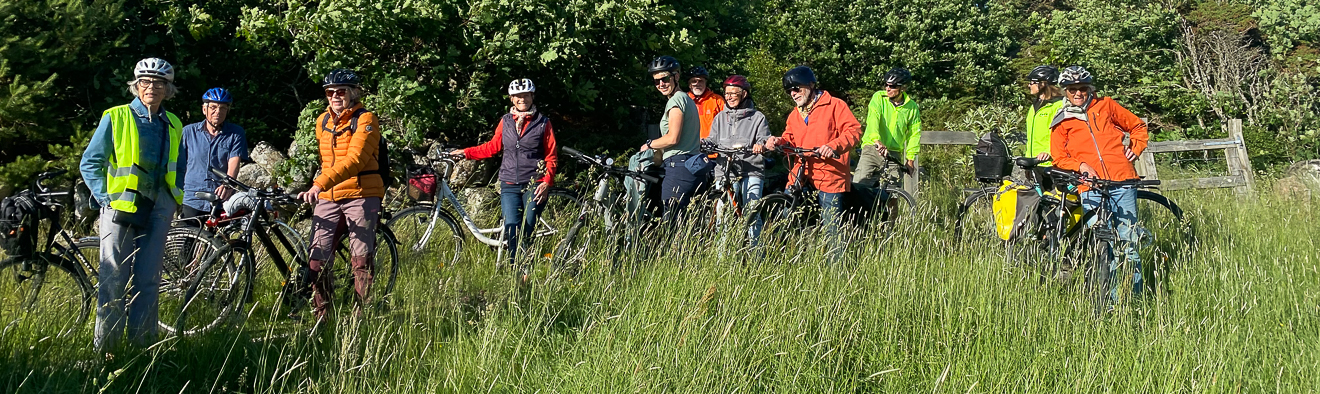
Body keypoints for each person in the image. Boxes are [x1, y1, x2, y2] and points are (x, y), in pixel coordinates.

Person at [80, 57, 187, 352]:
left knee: (149, 281)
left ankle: (143, 349)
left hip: (159, 208)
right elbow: (90, 162)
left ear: (168, 89)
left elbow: (180, 165)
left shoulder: (174, 122)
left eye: (159, 83)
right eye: (145, 82)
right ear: (136, 86)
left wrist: (173, 199)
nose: (151, 87)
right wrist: (105, 198)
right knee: (113, 280)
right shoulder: (115, 116)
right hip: (121, 207)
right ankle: (108, 352)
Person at [1049, 66, 1150, 303]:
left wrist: (1135, 148)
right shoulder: (1061, 121)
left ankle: (1135, 299)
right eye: (1072, 89)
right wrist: (1081, 165)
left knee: (1128, 242)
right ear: (1065, 92)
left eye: (1082, 88)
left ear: (1089, 88)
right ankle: (1109, 300)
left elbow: (1138, 126)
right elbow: (1059, 157)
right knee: (1102, 244)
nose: (1078, 93)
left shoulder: (1106, 105)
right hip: (1090, 186)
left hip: (1122, 181)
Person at [297, 68, 384, 321]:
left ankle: (361, 317)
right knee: (317, 260)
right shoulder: (322, 121)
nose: (335, 96)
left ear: (354, 93)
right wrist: (322, 186)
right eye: (330, 92)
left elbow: (355, 160)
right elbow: (326, 161)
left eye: (341, 91)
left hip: (361, 192)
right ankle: (323, 318)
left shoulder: (366, 120)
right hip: (329, 194)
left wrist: (319, 184)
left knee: (361, 260)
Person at [449, 78, 559, 278]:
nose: (522, 99)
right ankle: (517, 273)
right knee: (512, 228)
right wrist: (466, 153)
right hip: (509, 183)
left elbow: (551, 156)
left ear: (532, 96)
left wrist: (546, 182)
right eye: (518, 96)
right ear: (511, 99)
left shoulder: (543, 123)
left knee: (527, 227)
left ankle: (525, 270)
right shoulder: (506, 121)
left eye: (526, 95)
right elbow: (492, 147)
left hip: (534, 183)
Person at [763, 66, 861, 257]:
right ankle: (780, 258)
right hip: (801, 172)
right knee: (785, 214)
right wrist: (778, 142)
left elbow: (854, 131)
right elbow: (790, 138)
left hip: (829, 172)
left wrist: (833, 146)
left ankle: (836, 267)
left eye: (796, 88)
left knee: (832, 226)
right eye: (789, 91)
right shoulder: (795, 114)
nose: (793, 93)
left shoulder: (835, 105)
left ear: (810, 85)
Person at [701, 75, 770, 243]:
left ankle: (755, 252)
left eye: (733, 93)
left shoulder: (757, 117)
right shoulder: (720, 117)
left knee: (751, 213)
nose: (729, 97)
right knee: (722, 216)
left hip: (751, 169)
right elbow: (712, 140)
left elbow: (765, 139)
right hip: (725, 170)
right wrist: (702, 143)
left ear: (744, 94)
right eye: (727, 93)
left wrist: (761, 145)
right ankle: (721, 255)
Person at [640, 56, 706, 219]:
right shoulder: (687, 99)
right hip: (692, 166)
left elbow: (673, 138)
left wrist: (649, 144)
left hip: (678, 167)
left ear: (676, 76)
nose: (661, 84)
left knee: (671, 223)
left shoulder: (676, 101)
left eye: (664, 79)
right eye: (656, 81)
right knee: (687, 223)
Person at [180, 88, 248, 222]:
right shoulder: (188, 132)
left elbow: (234, 161)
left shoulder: (235, 133)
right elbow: (179, 165)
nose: (218, 112)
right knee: (187, 234)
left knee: (222, 235)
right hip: (192, 197)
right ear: (204, 109)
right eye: (213, 107)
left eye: (223, 108)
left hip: (220, 197)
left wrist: (227, 184)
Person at [855, 68, 921, 189]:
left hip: (893, 154)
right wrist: (876, 140)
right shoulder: (879, 98)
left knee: (893, 193)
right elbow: (873, 119)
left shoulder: (912, 107)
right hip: (872, 149)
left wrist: (910, 159)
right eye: (886, 85)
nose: (888, 88)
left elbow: (914, 134)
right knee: (859, 187)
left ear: (903, 88)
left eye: (893, 86)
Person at [686, 66, 726, 138]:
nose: (697, 84)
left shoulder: (717, 100)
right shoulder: (684, 100)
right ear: (689, 84)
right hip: (689, 143)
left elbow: (726, 123)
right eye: (694, 81)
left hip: (712, 143)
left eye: (701, 81)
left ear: (705, 83)